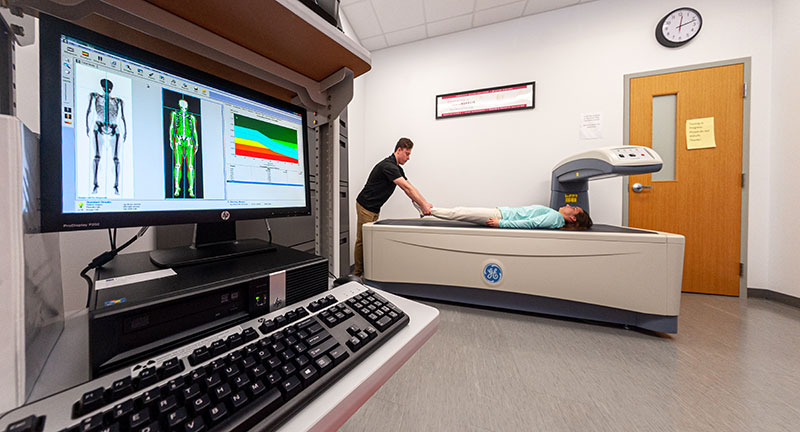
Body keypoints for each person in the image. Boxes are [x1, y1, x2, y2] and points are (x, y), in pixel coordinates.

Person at [354, 138, 433, 277]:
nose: (408, 158)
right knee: (363, 240)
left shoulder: (397, 169)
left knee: (369, 239)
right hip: (365, 205)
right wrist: (423, 205)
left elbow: (410, 187)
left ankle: (369, 270)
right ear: (399, 150)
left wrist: (423, 203)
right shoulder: (388, 166)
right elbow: (406, 188)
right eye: (407, 154)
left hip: (375, 207)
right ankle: (357, 274)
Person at [429, 204, 593, 230]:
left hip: (500, 216)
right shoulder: (555, 217)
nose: (569, 205)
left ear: (573, 218)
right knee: (461, 212)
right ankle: (429, 210)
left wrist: (501, 223)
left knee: (460, 213)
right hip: (501, 213)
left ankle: (429, 210)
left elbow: (529, 223)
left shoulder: (555, 218)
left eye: (574, 208)